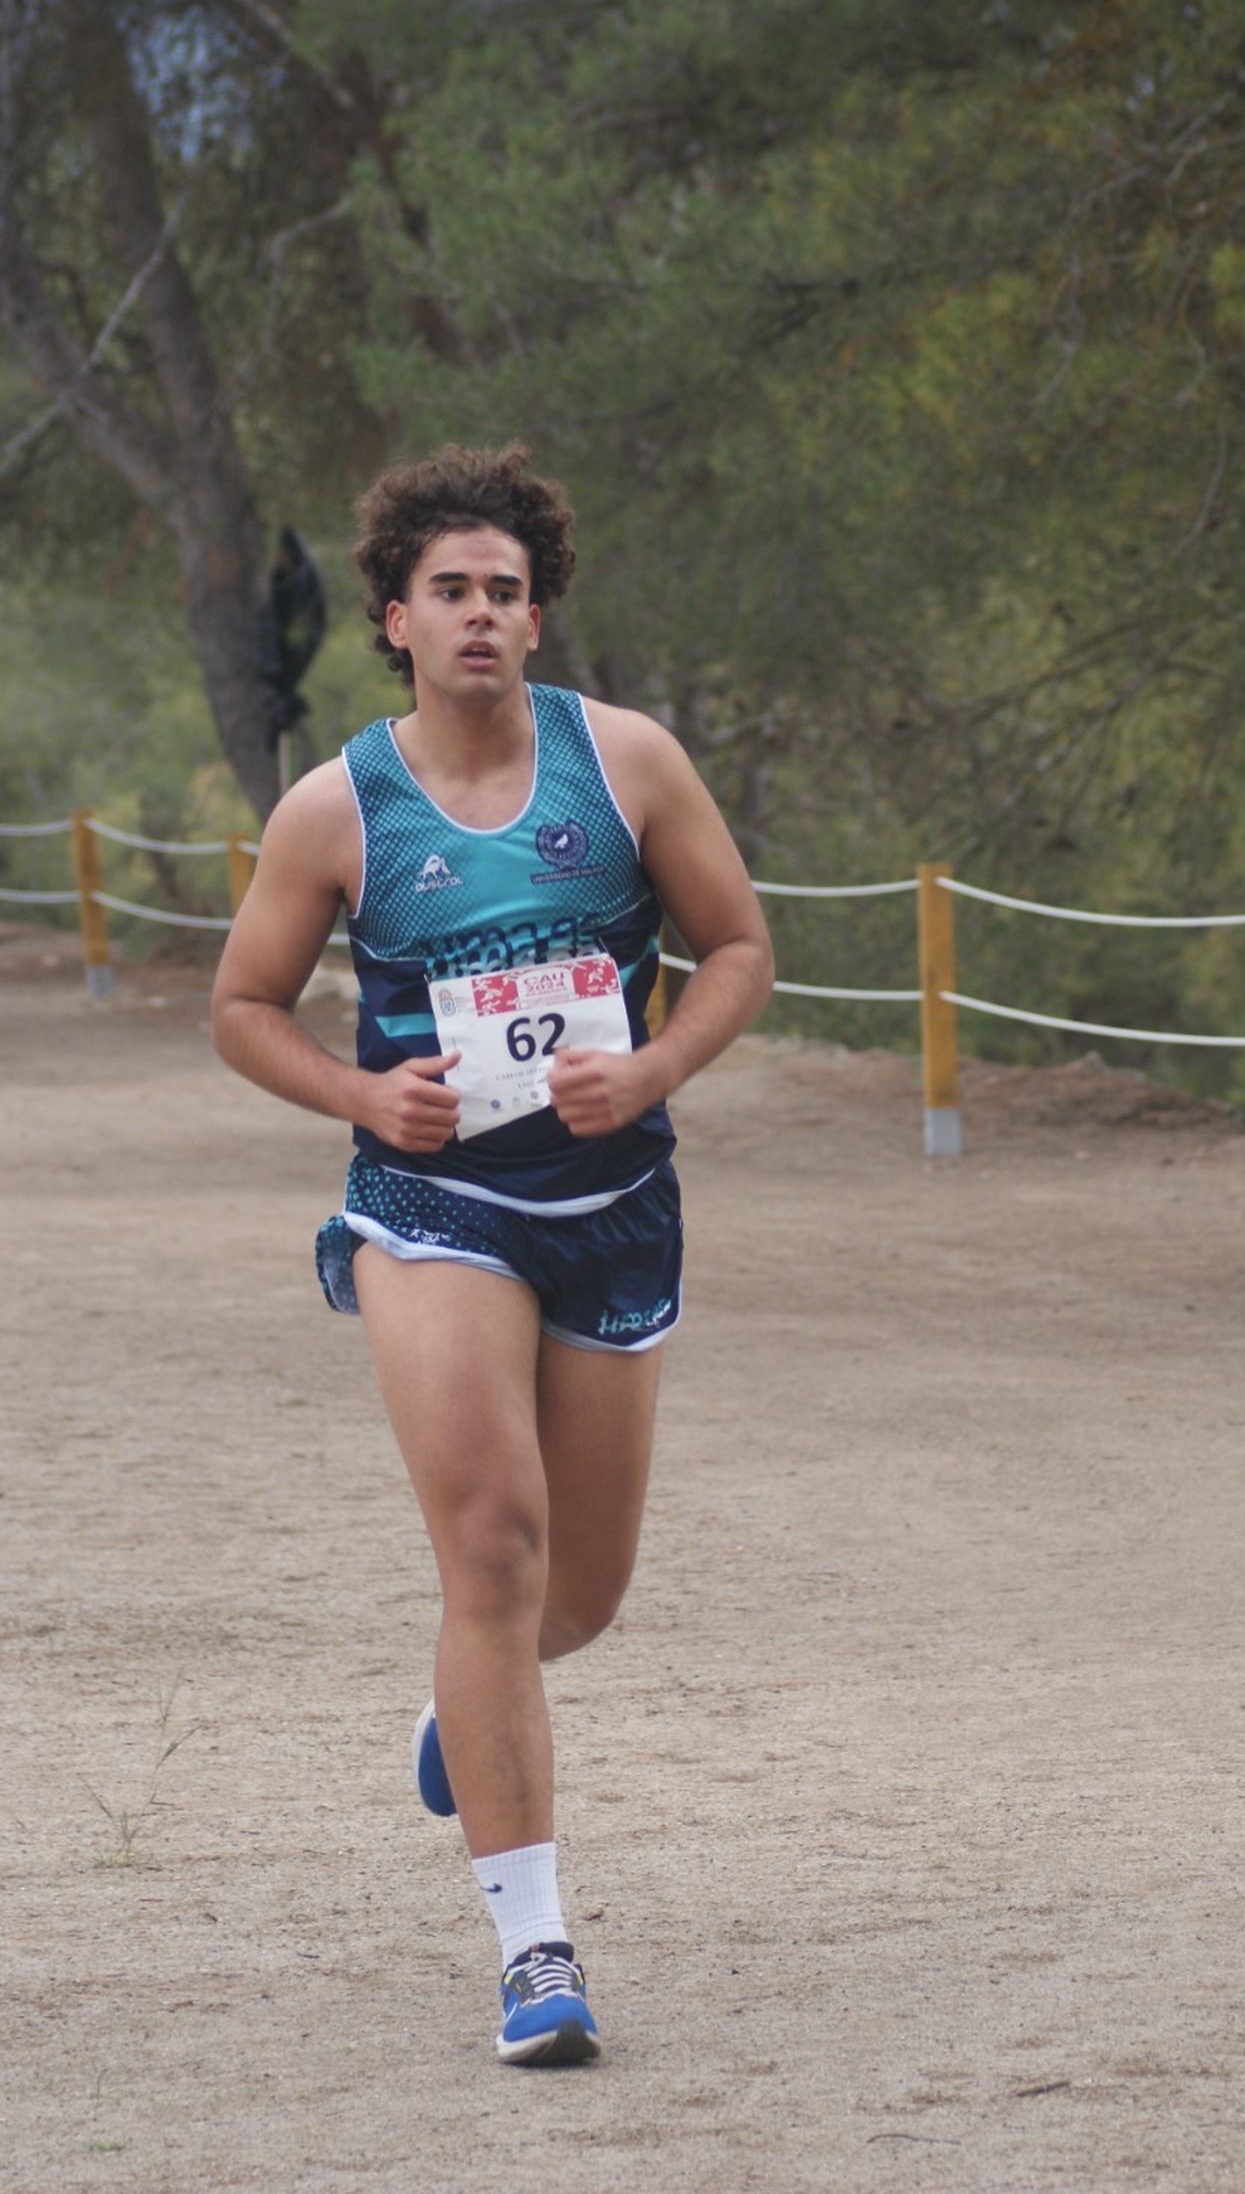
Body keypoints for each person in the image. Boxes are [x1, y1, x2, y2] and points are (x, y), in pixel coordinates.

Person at [212, 442, 773, 2067]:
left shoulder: (631, 764)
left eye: (505, 592)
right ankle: (535, 1949)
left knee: (576, 1597)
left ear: (538, 620)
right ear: (395, 615)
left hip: (614, 1207)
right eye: (450, 589)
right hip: (434, 1211)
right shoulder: (338, 807)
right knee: (496, 1542)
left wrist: (653, 1066)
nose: (479, 614)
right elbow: (243, 1008)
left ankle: (472, 1703)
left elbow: (738, 946)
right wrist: (364, 1093)